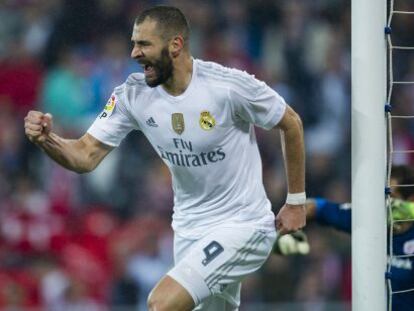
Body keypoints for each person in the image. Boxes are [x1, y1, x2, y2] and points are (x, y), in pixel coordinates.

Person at [24, 6, 306, 311]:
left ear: (175, 45)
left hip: (243, 224)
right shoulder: (131, 95)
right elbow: (84, 156)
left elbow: (290, 122)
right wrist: (47, 140)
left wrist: (295, 201)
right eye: (133, 43)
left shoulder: (228, 86)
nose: (134, 53)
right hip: (188, 231)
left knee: (161, 303)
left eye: (144, 44)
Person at [305, 165, 414, 311]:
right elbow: (320, 208)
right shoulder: (368, 220)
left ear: (410, 201)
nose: (384, 204)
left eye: (391, 197)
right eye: (380, 197)